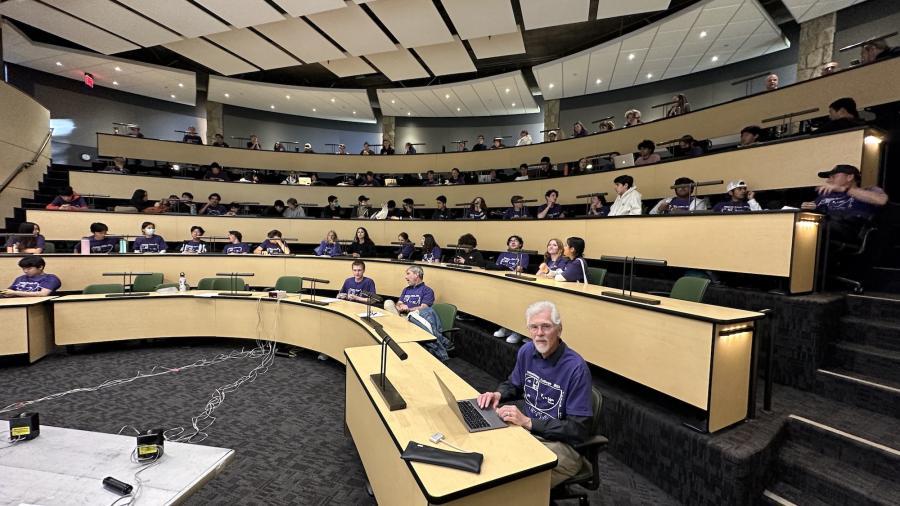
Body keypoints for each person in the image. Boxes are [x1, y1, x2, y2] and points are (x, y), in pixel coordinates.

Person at [476, 301, 593, 488]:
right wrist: (498, 394)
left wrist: (528, 422)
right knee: (489, 455)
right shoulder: (527, 351)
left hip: (564, 445)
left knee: (511, 483)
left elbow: (577, 430)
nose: (539, 333)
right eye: (534, 327)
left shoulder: (576, 368)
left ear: (559, 329)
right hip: (531, 431)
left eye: (546, 327)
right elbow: (513, 384)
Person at [801, 164, 888, 241]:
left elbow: (881, 200)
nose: (828, 181)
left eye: (833, 177)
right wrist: (808, 209)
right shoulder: (826, 194)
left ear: (849, 177)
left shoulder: (868, 190)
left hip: (848, 229)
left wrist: (844, 189)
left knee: (815, 227)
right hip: (822, 226)